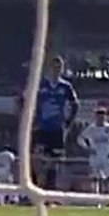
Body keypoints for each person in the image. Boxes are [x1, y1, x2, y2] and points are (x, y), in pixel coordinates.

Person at [20, 55, 79, 190]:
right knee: (35, 158)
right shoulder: (40, 84)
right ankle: (33, 185)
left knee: (54, 160)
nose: (56, 69)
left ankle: (49, 189)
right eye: (54, 67)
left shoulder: (65, 86)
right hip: (41, 127)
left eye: (59, 67)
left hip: (57, 129)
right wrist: (28, 118)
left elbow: (75, 104)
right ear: (49, 68)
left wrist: (68, 123)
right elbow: (24, 98)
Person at [80, 108, 109, 197]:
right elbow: (80, 138)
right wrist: (88, 148)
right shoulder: (91, 128)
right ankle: (96, 201)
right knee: (95, 178)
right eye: (99, 116)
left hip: (106, 156)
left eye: (103, 116)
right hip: (95, 156)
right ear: (96, 117)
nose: (101, 118)